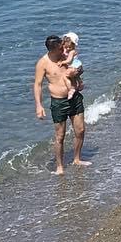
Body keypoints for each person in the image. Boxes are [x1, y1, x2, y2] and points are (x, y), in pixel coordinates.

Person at [33, 34, 89, 174]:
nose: (63, 49)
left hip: (75, 97)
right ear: (53, 50)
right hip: (59, 102)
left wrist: (79, 73)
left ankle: (77, 159)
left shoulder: (66, 55)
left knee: (80, 130)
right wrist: (39, 106)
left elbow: (78, 67)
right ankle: (60, 167)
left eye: (63, 46)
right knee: (60, 136)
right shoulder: (43, 63)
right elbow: (38, 85)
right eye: (60, 48)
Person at [60, 32, 83, 98]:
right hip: (78, 67)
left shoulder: (72, 52)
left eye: (70, 47)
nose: (67, 49)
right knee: (74, 77)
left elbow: (69, 61)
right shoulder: (67, 50)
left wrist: (63, 62)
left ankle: (71, 90)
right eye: (66, 47)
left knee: (65, 76)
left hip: (75, 67)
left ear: (74, 46)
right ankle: (80, 83)